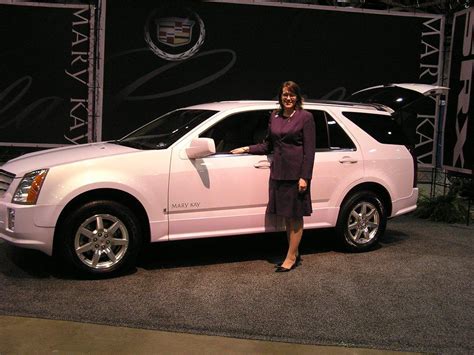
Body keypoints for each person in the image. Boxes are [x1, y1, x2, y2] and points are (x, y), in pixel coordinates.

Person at [231, 81, 316, 272]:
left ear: (297, 97)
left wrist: (305, 177)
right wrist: (246, 148)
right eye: (285, 95)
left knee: (295, 216)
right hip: (278, 172)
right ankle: (293, 252)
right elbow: (268, 145)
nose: (288, 98)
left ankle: (290, 257)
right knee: (287, 216)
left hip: (296, 175)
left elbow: (309, 152)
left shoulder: (306, 117)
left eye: (292, 95)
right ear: (280, 97)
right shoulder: (275, 116)